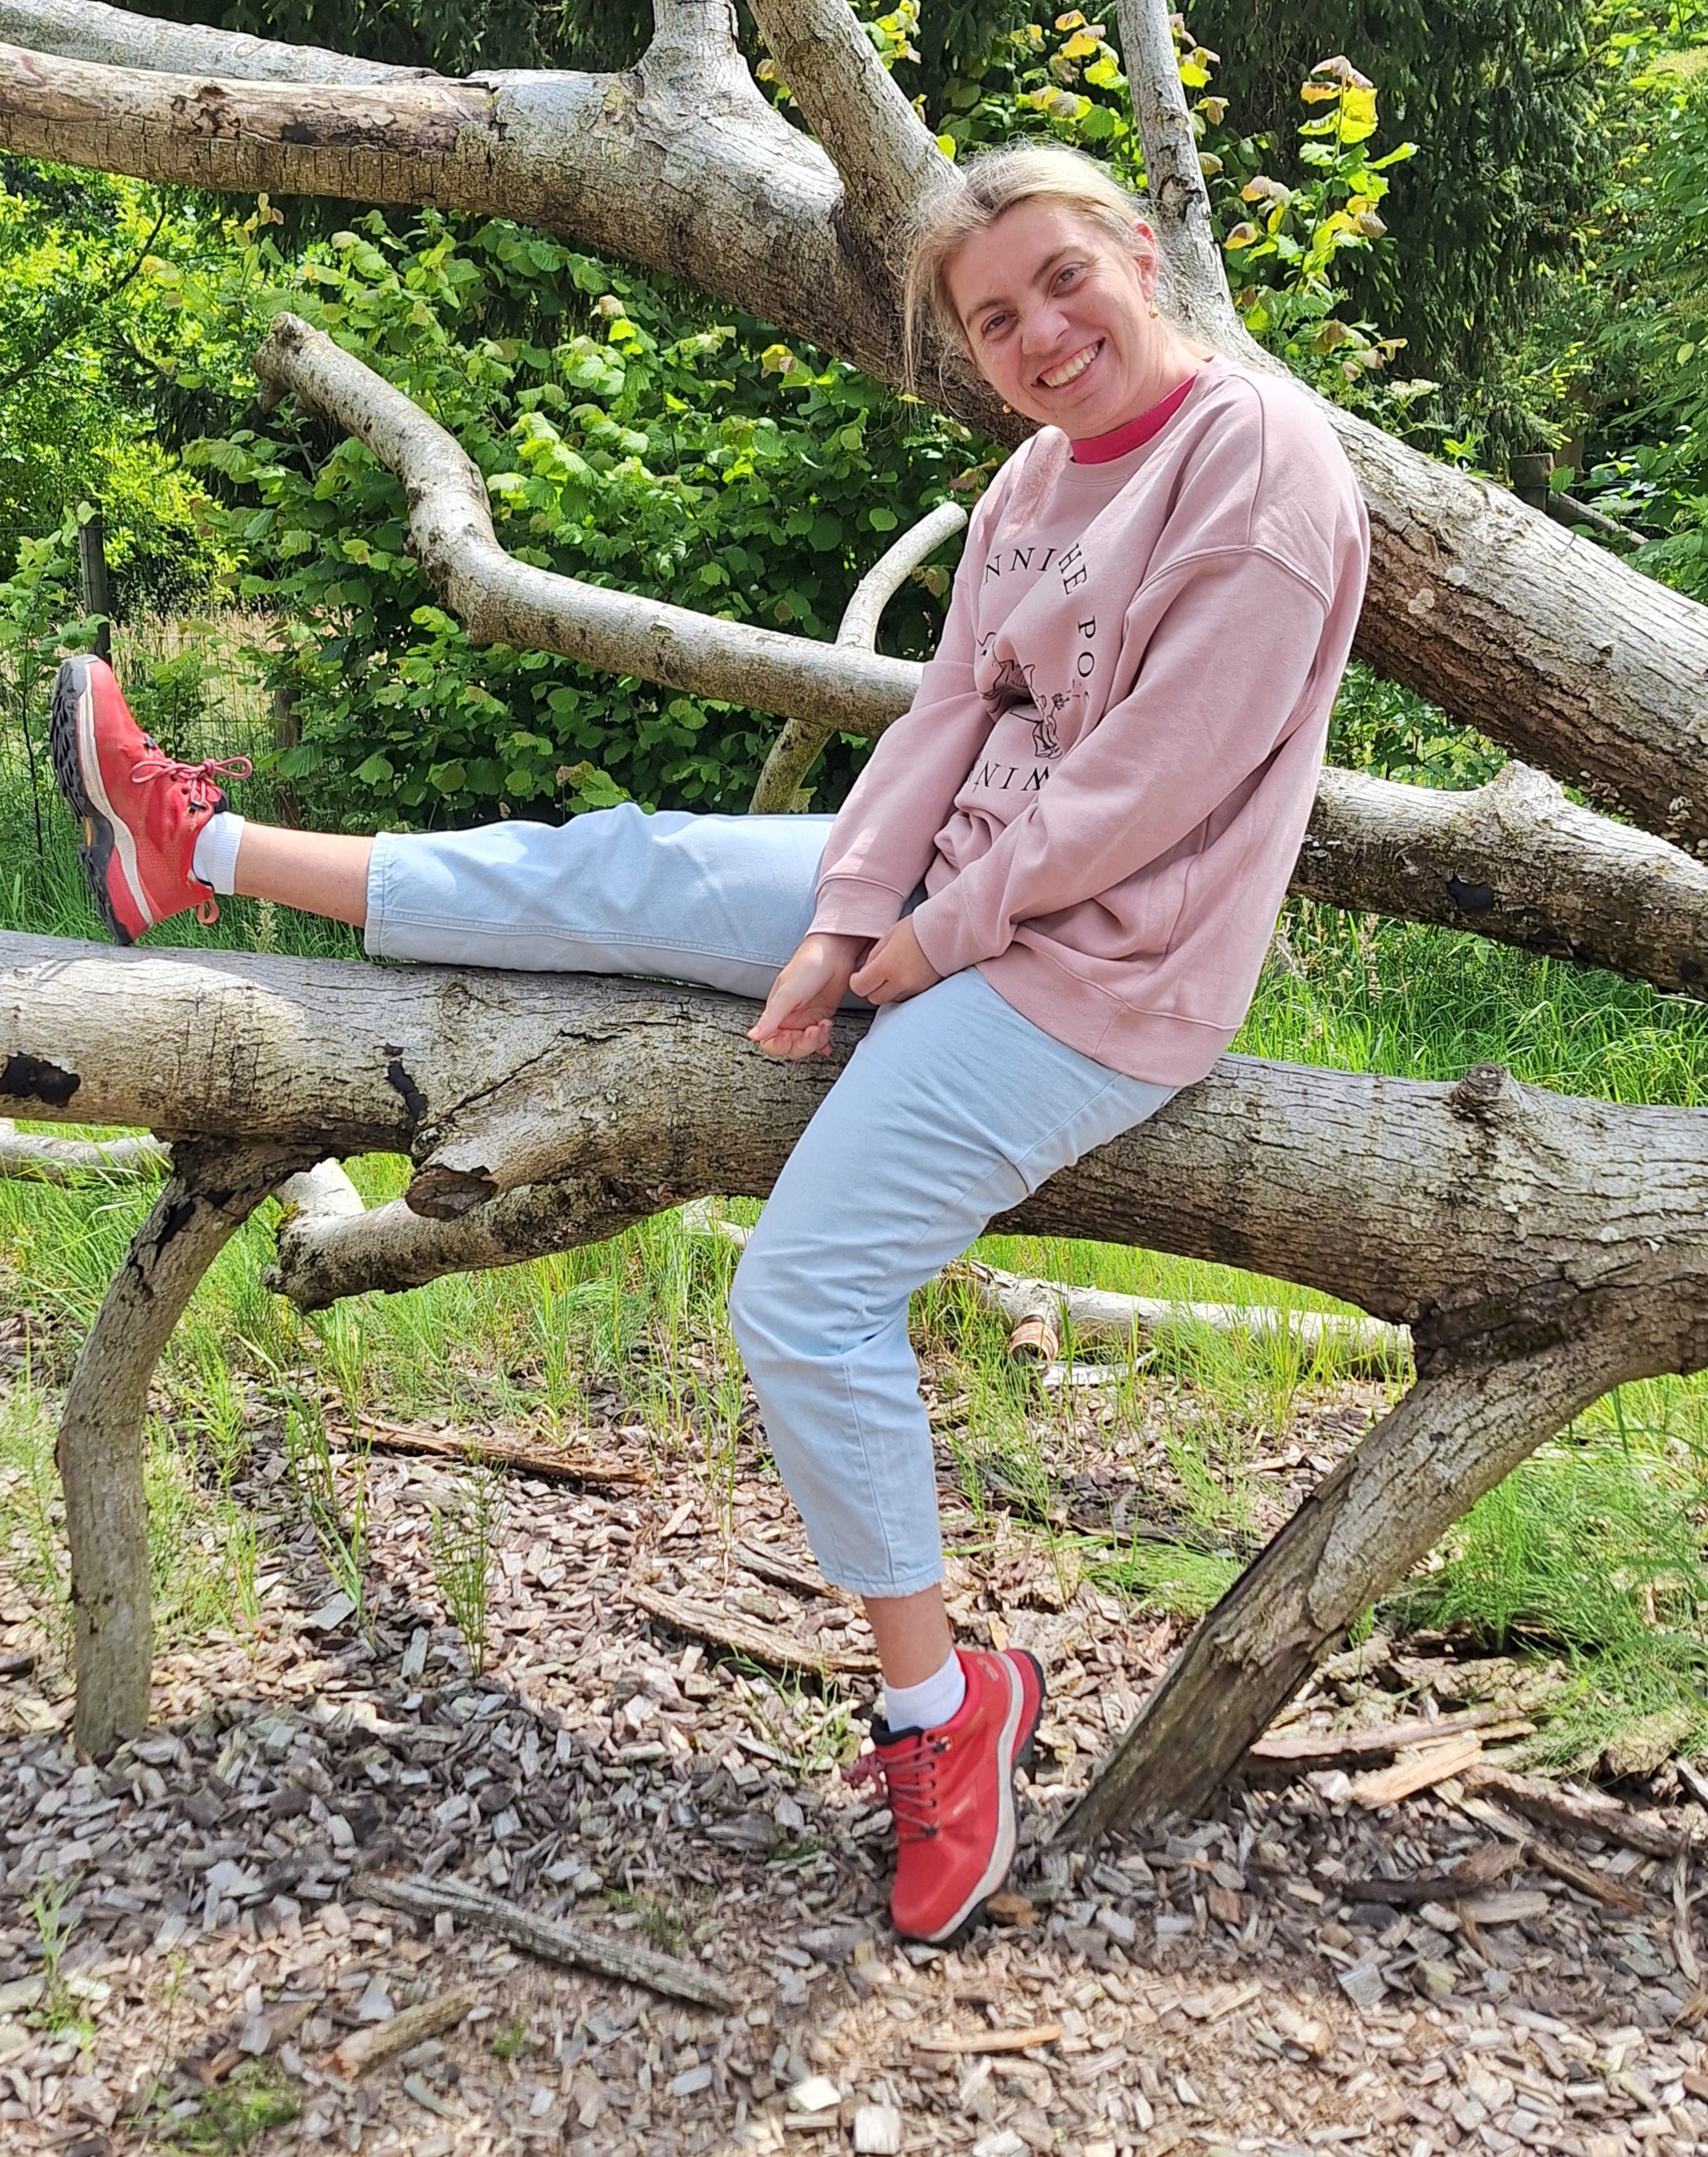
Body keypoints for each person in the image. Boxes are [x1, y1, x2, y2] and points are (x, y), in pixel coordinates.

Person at [51, 143, 1368, 1943]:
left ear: (1139, 253)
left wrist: (916, 948)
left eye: (1062, 280)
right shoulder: (1034, 477)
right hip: (949, 886)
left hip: (1097, 972)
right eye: (995, 320)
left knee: (802, 1294)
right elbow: (941, 719)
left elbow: (1148, 789)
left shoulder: (1261, 466)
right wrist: (841, 917)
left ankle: (942, 1710)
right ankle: (193, 853)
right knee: (618, 865)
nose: (1041, 334)